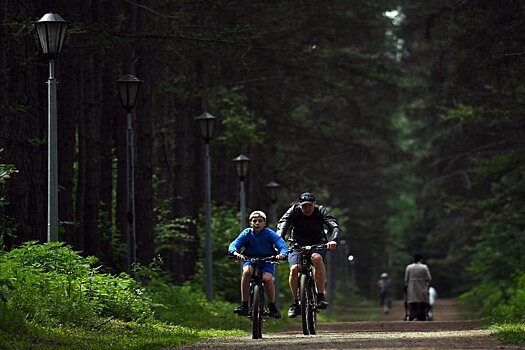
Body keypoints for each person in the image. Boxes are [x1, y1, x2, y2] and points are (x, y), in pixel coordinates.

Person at [276, 192, 340, 318]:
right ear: (299, 206)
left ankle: (320, 295)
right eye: (304, 206)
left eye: (309, 206)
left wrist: (333, 240)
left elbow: (334, 226)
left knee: (316, 258)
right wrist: (278, 241)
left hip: (317, 243)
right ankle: (296, 303)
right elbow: (282, 226)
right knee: (294, 269)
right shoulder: (293, 211)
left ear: (314, 204)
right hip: (297, 244)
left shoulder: (320, 211)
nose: (307, 209)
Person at [228, 210, 288, 319]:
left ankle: (272, 306)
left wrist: (282, 254)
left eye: (260, 221)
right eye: (254, 221)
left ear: (264, 223)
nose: (257, 223)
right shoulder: (247, 233)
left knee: (267, 278)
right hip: (250, 259)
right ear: (250, 223)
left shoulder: (269, 233)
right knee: (246, 272)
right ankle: (244, 304)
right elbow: (234, 244)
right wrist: (235, 253)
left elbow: (282, 245)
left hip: (267, 260)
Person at [404, 254, 432, 321]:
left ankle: (413, 316)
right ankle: (422, 316)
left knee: (413, 304)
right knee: (422, 303)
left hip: (412, 288)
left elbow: (406, 279)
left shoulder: (409, 267)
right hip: (422, 287)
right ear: (421, 259)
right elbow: (429, 278)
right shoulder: (424, 267)